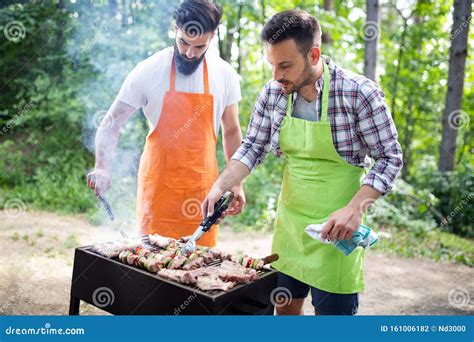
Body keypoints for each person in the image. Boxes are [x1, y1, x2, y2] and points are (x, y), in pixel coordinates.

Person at [202, 10, 403, 314]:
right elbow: (253, 147)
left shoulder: (358, 93)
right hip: (290, 228)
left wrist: (355, 208)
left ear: (313, 55)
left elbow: (390, 158)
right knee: (284, 312)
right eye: (272, 65)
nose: (276, 75)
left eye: (285, 65)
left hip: (339, 231)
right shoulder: (274, 93)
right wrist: (221, 185)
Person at [87, 0, 245, 247]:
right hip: (158, 191)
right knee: (151, 269)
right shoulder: (149, 70)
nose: (190, 53)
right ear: (176, 28)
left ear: (212, 37)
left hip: (203, 193)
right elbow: (110, 124)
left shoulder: (225, 74)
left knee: (198, 270)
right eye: (184, 42)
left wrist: (236, 181)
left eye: (199, 46)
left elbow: (232, 131)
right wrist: (102, 167)